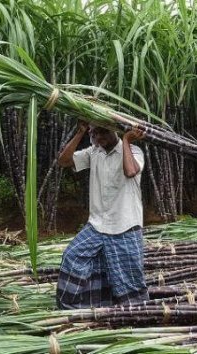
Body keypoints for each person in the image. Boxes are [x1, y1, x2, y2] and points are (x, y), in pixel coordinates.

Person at [55, 121, 149, 309]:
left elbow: (130, 171)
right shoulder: (93, 152)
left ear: (115, 130)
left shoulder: (134, 151)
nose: (99, 137)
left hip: (125, 226)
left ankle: (136, 315)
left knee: (128, 279)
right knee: (72, 257)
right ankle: (76, 309)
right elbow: (63, 161)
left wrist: (127, 140)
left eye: (104, 132)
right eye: (95, 133)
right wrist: (80, 132)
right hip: (97, 225)